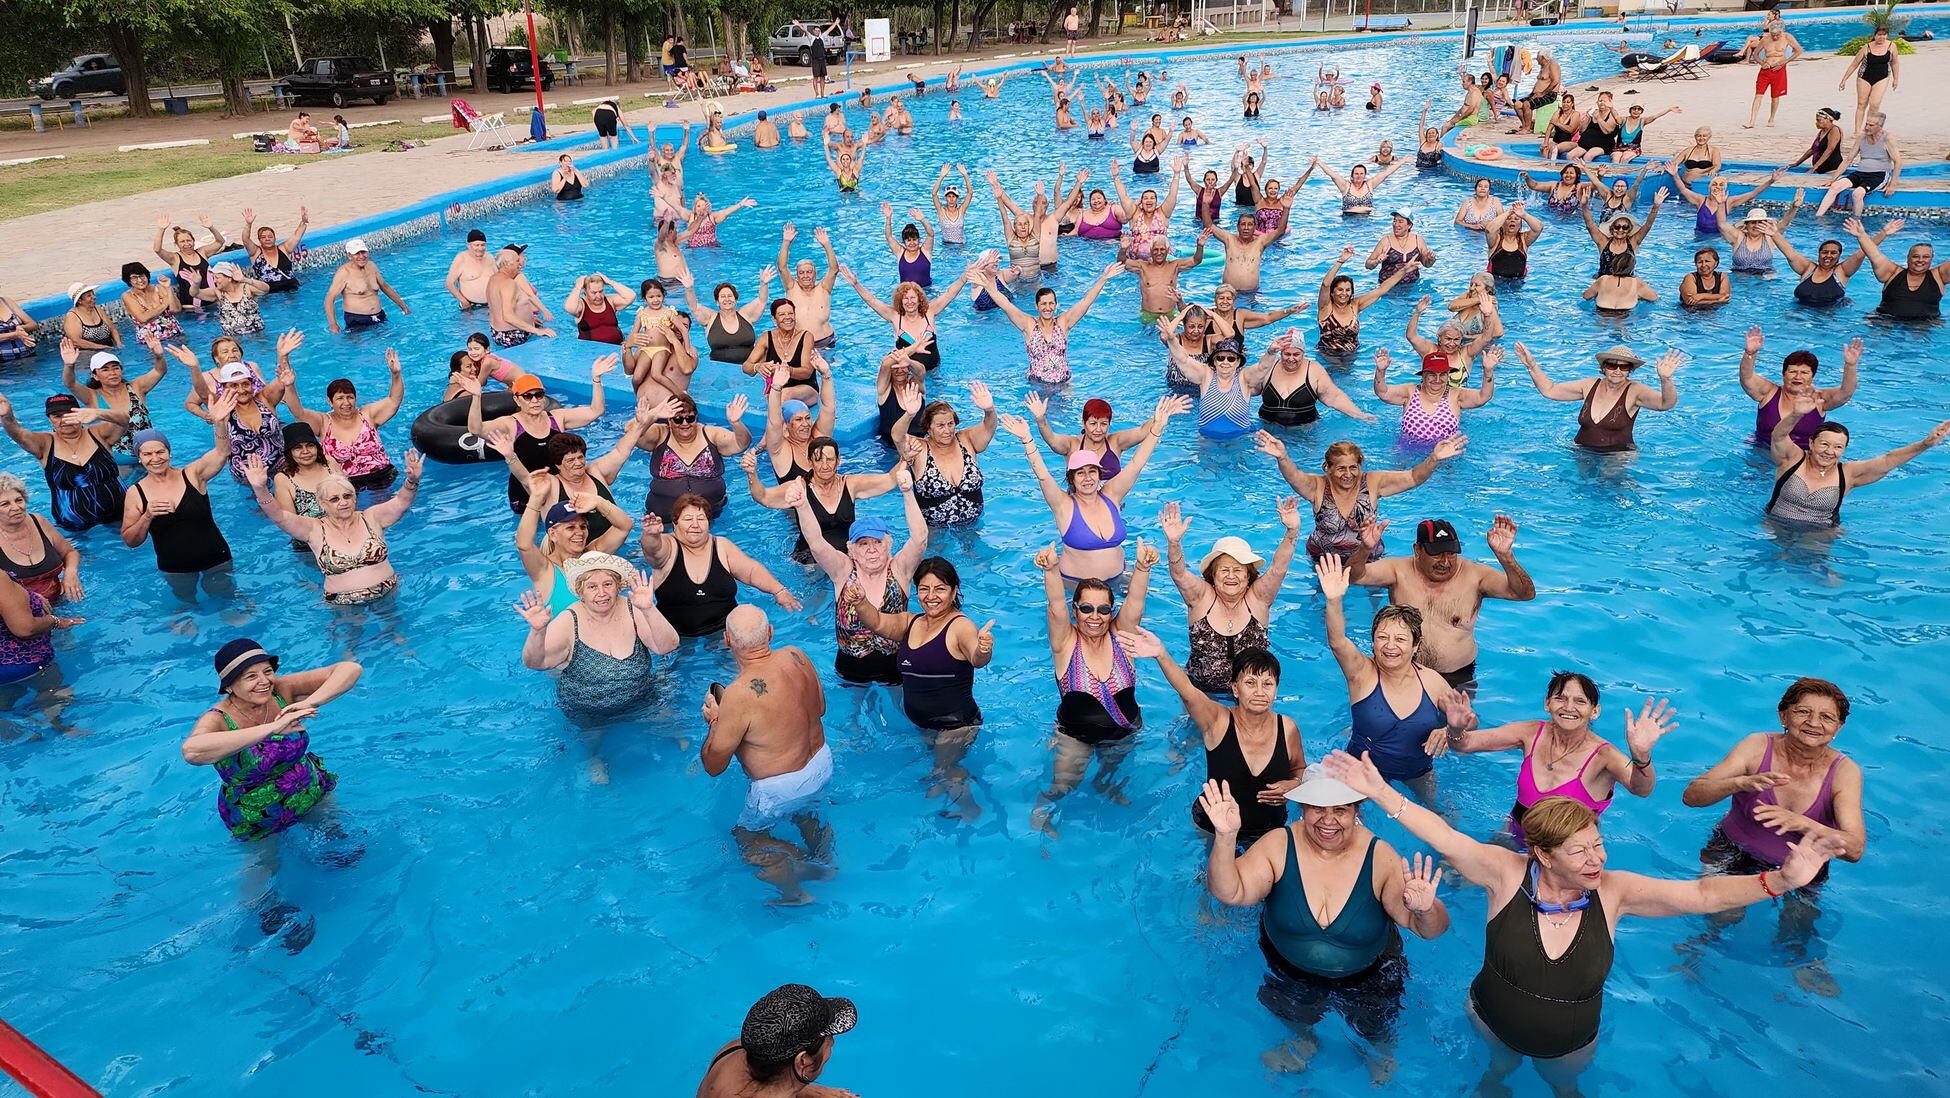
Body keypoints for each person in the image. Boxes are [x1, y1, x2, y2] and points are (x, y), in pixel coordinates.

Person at [1318, 749, 1843, 1094]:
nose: (1596, 859)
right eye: (1580, 851)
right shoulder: (1506, 874)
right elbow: (1442, 835)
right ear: (1543, 856)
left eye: (1598, 844)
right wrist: (1382, 791)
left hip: (1570, 1045)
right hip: (1491, 1019)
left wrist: (1782, 881)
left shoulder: (1614, 893)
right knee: (1495, 1071)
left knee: (1564, 1089)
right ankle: (1495, 1079)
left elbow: (1702, 893)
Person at [1197, 768, 1448, 1078]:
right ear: (1303, 808)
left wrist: (1424, 910)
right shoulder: (1279, 845)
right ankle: (1304, 1038)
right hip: (1289, 968)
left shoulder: (1380, 857)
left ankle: (1379, 1051)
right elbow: (1230, 891)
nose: (1328, 820)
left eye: (1340, 810)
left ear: (1356, 810)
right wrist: (1225, 838)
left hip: (1369, 973)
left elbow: (1430, 930)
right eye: (1318, 808)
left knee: (1375, 1026)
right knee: (1291, 1010)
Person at [1681, 677, 1865, 990]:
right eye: (1803, 712)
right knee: (1721, 915)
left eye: (1826, 717)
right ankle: (1701, 945)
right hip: (1733, 850)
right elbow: (1692, 795)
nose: (1813, 723)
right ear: (1783, 716)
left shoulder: (1845, 772)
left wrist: (1802, 823)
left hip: (1804, 864)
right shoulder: (1756, 747)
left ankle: (1803, 963)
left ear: (1839, 728)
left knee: (1797, 927)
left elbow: (1855, 848)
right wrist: (1738, 783)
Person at [1443, 672, 1673, 846]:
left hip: (1568, 854)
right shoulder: (1531, 732)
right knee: (1454, 875)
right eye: (1560, 698)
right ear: (1547, 703)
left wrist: (1641, 756)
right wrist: (1454, 729)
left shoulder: (1604, 756)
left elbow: (1641, 789)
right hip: (1514, 835)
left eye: (1580, 701)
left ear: (1595, 711)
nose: (1569, 707)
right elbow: (1464, 744)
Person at [1023, 540, 1157, 838]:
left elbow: (1136, 601)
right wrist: (1051, 569)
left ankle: (1105, 785)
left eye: (1103, 609)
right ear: (1076, 610)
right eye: (1086, 608)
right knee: (1063, 785)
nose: (1094, 616)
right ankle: (1042, 809)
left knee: (1111, 772)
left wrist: (1143, 567)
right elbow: (1055, 605)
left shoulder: (1124, 639)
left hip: (1124, 732)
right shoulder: (1065, 643)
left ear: (1111, 611)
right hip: (1076, 735)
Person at [844, 557, 992, 818]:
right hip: (924, 723)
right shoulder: (910, 622)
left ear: (954, 591)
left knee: (947, 769)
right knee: (941, 765)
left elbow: (976, 659)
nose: (931, 596)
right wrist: (860, 602)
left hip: (955, 724)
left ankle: (971, 810)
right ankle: (943, 781)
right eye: (924, 589)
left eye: (940, 589)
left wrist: (983, 649)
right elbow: (876, 622)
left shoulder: (960, 627)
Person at [180, 639, 362, 841]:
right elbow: (192, 751)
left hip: (309, 790)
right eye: (251, 676)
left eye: (267, 671)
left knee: (344, 849)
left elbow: (350, 669)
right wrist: (272, 728)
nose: (264, 681)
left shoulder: (281, 691)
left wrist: (310, 701)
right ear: (229, 686)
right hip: (258, 815)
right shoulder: (218, 719)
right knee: (264, 868)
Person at [1316, 554, 1457, 801]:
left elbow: (1463, 722)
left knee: (1442, 817)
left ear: (1416, 646)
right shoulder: (1362, 673)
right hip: (1360, 771)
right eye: (1383, 637)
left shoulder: (1433, 683)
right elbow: (1337, 642)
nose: (1390, 646)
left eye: (1400, 639)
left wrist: (1447, 729)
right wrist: (1334, 599)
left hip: (1417, 772)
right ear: (1372, 643)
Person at [1347, 516, 1534, 694]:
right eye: (1436, 554)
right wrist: (1365, 549)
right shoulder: (1398, 570)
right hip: (1403, 672)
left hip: (1457, 676)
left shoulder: (1475, 576)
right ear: (1417, 550)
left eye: (1451, 554)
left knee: (1456, 726)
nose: (1445, 562)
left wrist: (1506, 556)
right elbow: (1353, 577)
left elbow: (1524, 594)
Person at [999, 398, 1176, 583]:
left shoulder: (1112, 496)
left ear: (1099, 475)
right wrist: (1027, 439)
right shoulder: (1063, 505)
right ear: (1071, 478)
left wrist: (1158, 427)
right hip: (1076, 587)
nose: (1088, 478)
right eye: (1080, 473)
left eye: (1092, 471)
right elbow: (1043, 475)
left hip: (1120, 578)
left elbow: (1136, 464)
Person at [790, 467, 926, 686]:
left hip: (894, 666)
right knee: (851, 716)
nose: (871, 550)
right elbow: (816, 543)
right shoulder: (842, 571)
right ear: (851, 550)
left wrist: (908, 493)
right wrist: (802, 505)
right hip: (850, 667)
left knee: (898, 711)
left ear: (888, 546)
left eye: (877, 542)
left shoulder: (899, 570)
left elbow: (919, 540)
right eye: (863, 544)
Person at [516, 551, 678, 725]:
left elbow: (667, 646)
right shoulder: (569, 620)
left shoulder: (634, 609)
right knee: (594, 750)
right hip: (588, 714)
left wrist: (649, 609)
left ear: (618, 586)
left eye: (608, 584)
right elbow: (536, 663)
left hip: (642, 700)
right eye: (592, 587)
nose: (602, 593)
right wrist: (538, 631)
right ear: (581, 591)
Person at [1161, 499, 1300, 695]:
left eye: (1238, 570)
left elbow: (1278, 568)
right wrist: (1174, 543)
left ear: (1248, 574)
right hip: (1200, 690)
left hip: (1251, 694)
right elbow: (1179, 574)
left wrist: (1292, 532)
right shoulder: (1201, 598)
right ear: (1213, 574)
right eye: (1224, 570)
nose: (1231, 576)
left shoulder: (1258, 598)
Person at [245, 450, 421, 606]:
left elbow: (401, 502)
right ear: (322, 504)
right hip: (343, 606)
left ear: (354, 498)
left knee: (398, 638)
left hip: (388, 596)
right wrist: (260, 489)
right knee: (350, 643)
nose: (343, 503)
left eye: (347, 496)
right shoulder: (313, 529)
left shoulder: (372, 517)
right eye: (334, 499)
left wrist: (412, 480)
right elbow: (279, 516)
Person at [1258, 434, 1462, 561]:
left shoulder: (1373, 482)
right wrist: (1283, 458)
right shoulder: (1317, 486)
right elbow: (1294, 476)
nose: (1348, 474)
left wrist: (1434, 459)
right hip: (1324, 559)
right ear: (1328, 469)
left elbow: (1413, 477)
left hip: (1368, 557)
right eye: (1341, 469)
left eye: (1353, 467)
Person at [1764, 405, 1949, 531]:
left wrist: (1925, 444)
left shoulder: (1848, 474)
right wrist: (1796, 414)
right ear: (1811, 443)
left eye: (1838, 447)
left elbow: (1887, 461)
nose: (1829, 452)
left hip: (1819, 534)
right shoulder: (1792, 460)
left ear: (1844, 450)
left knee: (1826, 581)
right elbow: (1778, 436)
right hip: (1774, 524)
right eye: (1824, 444)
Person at [644, 494, 801, 640]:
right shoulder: (668, 546)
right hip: (674, 635)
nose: (695, 525)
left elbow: (751, 571)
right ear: (675, 523)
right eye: (687, 519)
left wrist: (779, 591)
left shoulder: (722, 546)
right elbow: (653, 550)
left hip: (722, 631)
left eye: (701, 518)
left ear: (709, 523)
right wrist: (651, 535)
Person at [461, 361, 611, 513]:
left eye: (539, 395)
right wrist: (476, 397)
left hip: (555, 491)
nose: (534, 401)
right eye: (527, 396)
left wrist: (596, 380)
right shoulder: (510, 424)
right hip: (525, 494)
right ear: (516, 399)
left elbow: (595, 411)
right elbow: (476, 429)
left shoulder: (557, 419)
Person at [121, 421, 235, 598]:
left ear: (169, 452)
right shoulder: (136, 493)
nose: (155, 458)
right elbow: (130, 541)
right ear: (139, 457)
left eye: (160, 452)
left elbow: (222, 452)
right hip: (176, 568)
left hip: (216, 559)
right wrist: (147, 516)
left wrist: (220, 422)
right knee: (185, 613)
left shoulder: (192, 475)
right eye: (147, 454)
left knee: (229, 606)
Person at [1514, 343, 1682, 454]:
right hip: (1581, 451)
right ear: (1603, 368)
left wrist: (1665, 379)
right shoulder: (1589, 385)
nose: (1617, 370)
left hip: (1617, 455)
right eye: (1611, 365)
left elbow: (1665, 404)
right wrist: (1531, 365)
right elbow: (1549, 391)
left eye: (1623, 367)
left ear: (1630, 370)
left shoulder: (1634, 391)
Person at [974, 262, 1123, 386]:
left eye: (1051, 303)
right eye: (1043, 304)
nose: (1047, 308)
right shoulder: (1028, 324)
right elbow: (1006, 305)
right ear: (1036, 306)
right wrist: (987, 285)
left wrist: (1104, 278)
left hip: (1063, 383)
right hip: (1037, 384)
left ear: (1056, 305)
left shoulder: (1064, 323)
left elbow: (1085, 302)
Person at [696, 983, 856, 1097]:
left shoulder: (735, 1050)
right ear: (803, 1062)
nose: (832, 1042)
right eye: (829, 1037)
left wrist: (810, 1092)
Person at [279, 349, 406, 492]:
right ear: (330, 401)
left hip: (382, 475)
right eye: (340, 398)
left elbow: (394, 400)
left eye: (350, 397)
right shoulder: (323, 422)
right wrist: (289, 385)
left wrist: (396, 374)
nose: (346, 403)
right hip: (344, 483)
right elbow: (298, 412)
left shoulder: (368, 414)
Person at [0, 392, 127, 532]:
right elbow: (17, 432)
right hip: (74, 525)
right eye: (57, 416)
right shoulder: (44, 444)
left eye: (70, 414)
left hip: (121, 514)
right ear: (50, 419)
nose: (65, 420)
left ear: (81, 413)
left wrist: (99, 413)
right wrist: (7, 416)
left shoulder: (99, 434)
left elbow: (124, 420)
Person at [1740, 329, 1860, 449]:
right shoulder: (1769, 392)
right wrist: (1750, 354)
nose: (1798, 377)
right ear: (1784, 374)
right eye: (1792, 371)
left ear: (1812, 376)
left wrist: (1850, 365)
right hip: (1762, 454)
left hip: (1802, 459)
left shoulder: (1819, 399)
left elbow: (1846, 392)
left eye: (1804, 372)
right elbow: (1747, 378)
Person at [899, 386, 999, 528]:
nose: (947, 430)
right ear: (928, 428)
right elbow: (897, 436)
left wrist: (989, 410)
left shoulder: (966, 439)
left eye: (950, 424)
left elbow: (989, 427)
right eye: (940, 425)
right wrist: (908, 415)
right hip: (933, 527)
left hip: (973, 524)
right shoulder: (919, 448)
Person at [61, 342, 164, 468]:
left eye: (116, 368)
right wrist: (69, 365)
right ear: (95, 376)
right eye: (105, 370)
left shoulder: (136, 387)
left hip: (150, 454)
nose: (112, 373)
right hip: (119, 460)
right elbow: (70, 383)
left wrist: (158, 356)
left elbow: (160, 371)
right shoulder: (91, 396)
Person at [1373, 346, 1498, 449]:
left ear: (1448, 375)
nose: (1437, 379)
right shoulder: (1410, 391)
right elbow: (1383, 393)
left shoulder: (1456, 395)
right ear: (1423, 376)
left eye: (1442, 374)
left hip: (1445, 453)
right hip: (1408, 452)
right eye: (1432, 374)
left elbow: (1484, 396)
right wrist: (1380, 371)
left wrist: (1488, 371)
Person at [1314, 247, 1417, 363]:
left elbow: (1382, 289)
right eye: (1340, 290)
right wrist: (1341, 261)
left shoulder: (1355, 305)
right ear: (1332, 292)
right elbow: (1325, 284)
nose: (1344, 294)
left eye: (1347, 290)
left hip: (1352, 356)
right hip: (1328, 356)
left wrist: (1404, 270)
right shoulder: (1325, 308)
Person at [0, 474, 82, 605]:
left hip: (60, 602)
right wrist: (30, 598)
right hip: (20, 615)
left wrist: (71, 572)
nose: (16, 507)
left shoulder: (39, 522)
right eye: (5, 504)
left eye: (19, 500)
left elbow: (70, 553)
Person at [1845, 216, 1948, 319]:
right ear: (1908, 259)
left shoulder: (1939, 275)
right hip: (1886, 322)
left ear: (1931, 259)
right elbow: (1875, 256)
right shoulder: (1893, 272)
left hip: (1923, 326)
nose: (1920, 260)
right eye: (1915, 256)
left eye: (1926, 257)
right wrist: (1861, 236)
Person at [1772, 224, 1888, 307]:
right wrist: (1774, 234)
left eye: (1833, 253)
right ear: (1819, 254)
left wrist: (1883, 234)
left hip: (1828, 319)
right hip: (1800, 314)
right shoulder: (1808, 268)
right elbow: (1790, 253)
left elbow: (1861, 253)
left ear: (1839, 256)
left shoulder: (1842, 271)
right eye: (1824, 252)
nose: (1828, 255)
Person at [1816, 112, 1902, 217]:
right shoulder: (1862, 137)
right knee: (1835, 186)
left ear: (1880, 127)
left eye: (1871, 125)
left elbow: (1898, 162)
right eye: (1866, 124)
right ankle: (1818, 217)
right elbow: (1848, 159)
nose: (1866, 127)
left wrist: (1892, 184)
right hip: (1860, 173)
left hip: (1878, 175)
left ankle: (1856, 221)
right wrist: (1833, 179)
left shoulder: (1887, 138)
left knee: (1857, 194)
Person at [0, 570, 74, 686]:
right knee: (59, 697)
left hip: (9, 671)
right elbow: (25, 629)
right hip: (22, 664)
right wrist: (55, 621)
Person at [775, 224, 843, 347]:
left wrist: (827, 244)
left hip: (825, 342)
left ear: (815, 274)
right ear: (797, 276)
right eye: (801, 273)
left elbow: (834, 269)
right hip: (799, 343)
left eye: (809, 272)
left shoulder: (824, 289)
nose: (805, 276)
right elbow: (782, 267)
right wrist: (786, 242)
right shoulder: (791, 288)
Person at [322, 239, 411, 333]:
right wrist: (333, 324)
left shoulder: (371, 266)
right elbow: (329, 299)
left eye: (363, 252)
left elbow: (385, 287)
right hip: (357, 321)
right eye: (357, 253)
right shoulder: (344, 273)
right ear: (349, 256)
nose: (361, 256)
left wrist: (404, 307)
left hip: (379, 316)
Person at [152, 215, 226, 316]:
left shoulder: (202, 252)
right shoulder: (175, 259)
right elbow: (157, 249)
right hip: (192, 309)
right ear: (177, 244)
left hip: (215, 302)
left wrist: (210, 227)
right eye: (182, 241)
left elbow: (220, 242)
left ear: (194, 241)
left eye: (189, 240)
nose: (186, 244)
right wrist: (161, 229)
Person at [1838, 26, 1899, 137]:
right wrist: (1844, 79)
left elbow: (1894, 63)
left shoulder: (1892, 46)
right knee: (1861, 103)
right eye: (1879, 35)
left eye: (1884, 35)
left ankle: (1869, 128)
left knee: (1875, 104)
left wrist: (1896, 79)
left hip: (1882, 77)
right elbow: (1854, 64)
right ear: (1874, 35)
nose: (1881, 37)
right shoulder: (1866, 47)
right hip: (1864, 77)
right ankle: (1857, 131)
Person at [1746, 22, 1804, 130]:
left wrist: (1784, 62)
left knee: (1775, 96)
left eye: (1777, 35)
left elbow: (1799, 51)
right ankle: (1752, 121)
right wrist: (1762, 63)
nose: (1775, 37)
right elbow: (1755, 55)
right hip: (1766, 70)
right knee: (1758, 94)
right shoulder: (1765, 39)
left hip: (1779, 69)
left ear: (1781, 32)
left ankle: (1771, 118)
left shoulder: (1787, 37)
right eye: (1773, 35)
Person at [239, 206, 308, 293]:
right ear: (259, 240)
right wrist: (248, 224)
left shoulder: (284, 249)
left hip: (291, 288)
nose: (267, 239)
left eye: (270, 237)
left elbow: (296, 236)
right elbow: (245, 239)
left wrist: (303, 222)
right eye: (263, 237)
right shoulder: (255, 252)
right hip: (269, 292)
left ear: (275, 238)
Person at [1485, 204, 1545, 281]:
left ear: (1520, 226)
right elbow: (1489, 230)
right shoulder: (1496, 240)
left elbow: (1539, 228)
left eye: (1516, 219)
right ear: (1502, 225)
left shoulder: (1524, 239)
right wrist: (1508, 212)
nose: (1512, 220)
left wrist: (1524, 215)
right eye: (1508, 219)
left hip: (1518, 283)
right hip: (1496, 282)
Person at [1786, 108, 1846, 177]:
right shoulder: (1821, 132)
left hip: (1831, 168)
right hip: (1820, 169)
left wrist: (1815, 167)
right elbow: (1812, 149)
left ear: (1828, 119)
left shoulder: (1834, 130)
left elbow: (1830, 149)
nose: (1816, 123)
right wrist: (1797, 163)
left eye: (1819, 120)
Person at [445, 229, 494, 310]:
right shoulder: (461, 259)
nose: (480, 248)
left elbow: (499, 278)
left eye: (483, 245)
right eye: (477, 245)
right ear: (468, 245)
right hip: (470, 307)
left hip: (491, 305)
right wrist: (464, 302)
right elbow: (449, 283)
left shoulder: (489, 257)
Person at [61, 284, 119, 352]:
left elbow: (113, 329)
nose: (94, 297)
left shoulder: (98, 309)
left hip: (108, 348)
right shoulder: (72, 316)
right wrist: (102, 347)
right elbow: (75, 341)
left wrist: (118, 343)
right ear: (80, 301)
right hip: (87, 353)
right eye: (89, 296)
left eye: (93, 294)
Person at [0, 292, 42, 364]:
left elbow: (33, 325)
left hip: (28, 355)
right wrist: (15, 334)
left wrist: (21, 328)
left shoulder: (7, 302)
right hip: (4, 362)